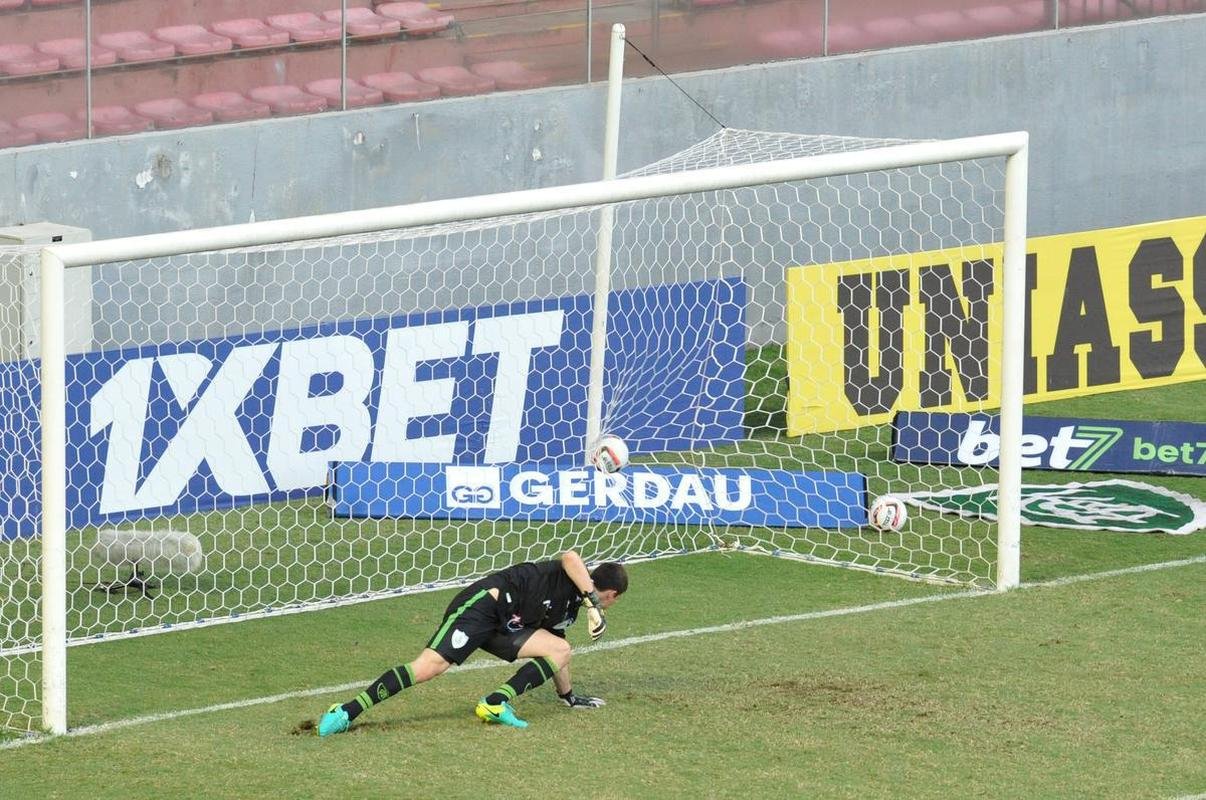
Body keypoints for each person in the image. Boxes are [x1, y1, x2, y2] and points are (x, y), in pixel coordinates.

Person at [317, 551, 627, 735]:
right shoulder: (576, 578)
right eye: (611, 601)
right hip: (483, 607)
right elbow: (570, 557)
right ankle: (346, 712)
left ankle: (494, 703)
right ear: (611, 595)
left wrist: (569, 696)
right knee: (430, 667)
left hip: (507, 627)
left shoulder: (569, 610)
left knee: (560, 649)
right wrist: (593, 606)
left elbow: (556, 648)